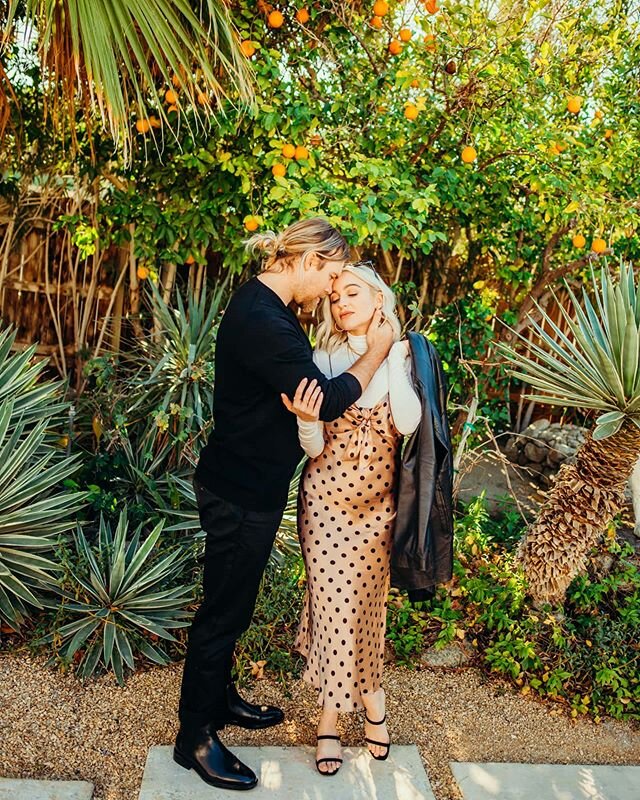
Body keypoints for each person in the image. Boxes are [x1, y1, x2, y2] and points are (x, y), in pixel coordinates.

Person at [174, 219, 395, 791]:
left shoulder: (266, 308)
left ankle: (220, 700)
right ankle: (193, 737)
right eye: (328, 276)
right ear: (307, 260)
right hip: (238, 493)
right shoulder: (263, 319)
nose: (329, 290)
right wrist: (375, 352)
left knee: (235, 606)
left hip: (254, 487)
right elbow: (323, 402)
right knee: (222, 612)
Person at [286, 262, 422, 776]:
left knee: (366, 607)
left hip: (379, 510)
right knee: (332, 605)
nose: (341, 303)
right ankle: (331, 718)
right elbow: (313, 445)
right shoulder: (322, 357)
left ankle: (372, 698)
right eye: (336, 295)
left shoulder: (402, 353)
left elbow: (407, 422)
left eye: (353, 293)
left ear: (378, 298)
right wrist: (305, 420)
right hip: (325, 506)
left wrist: (385, 352)